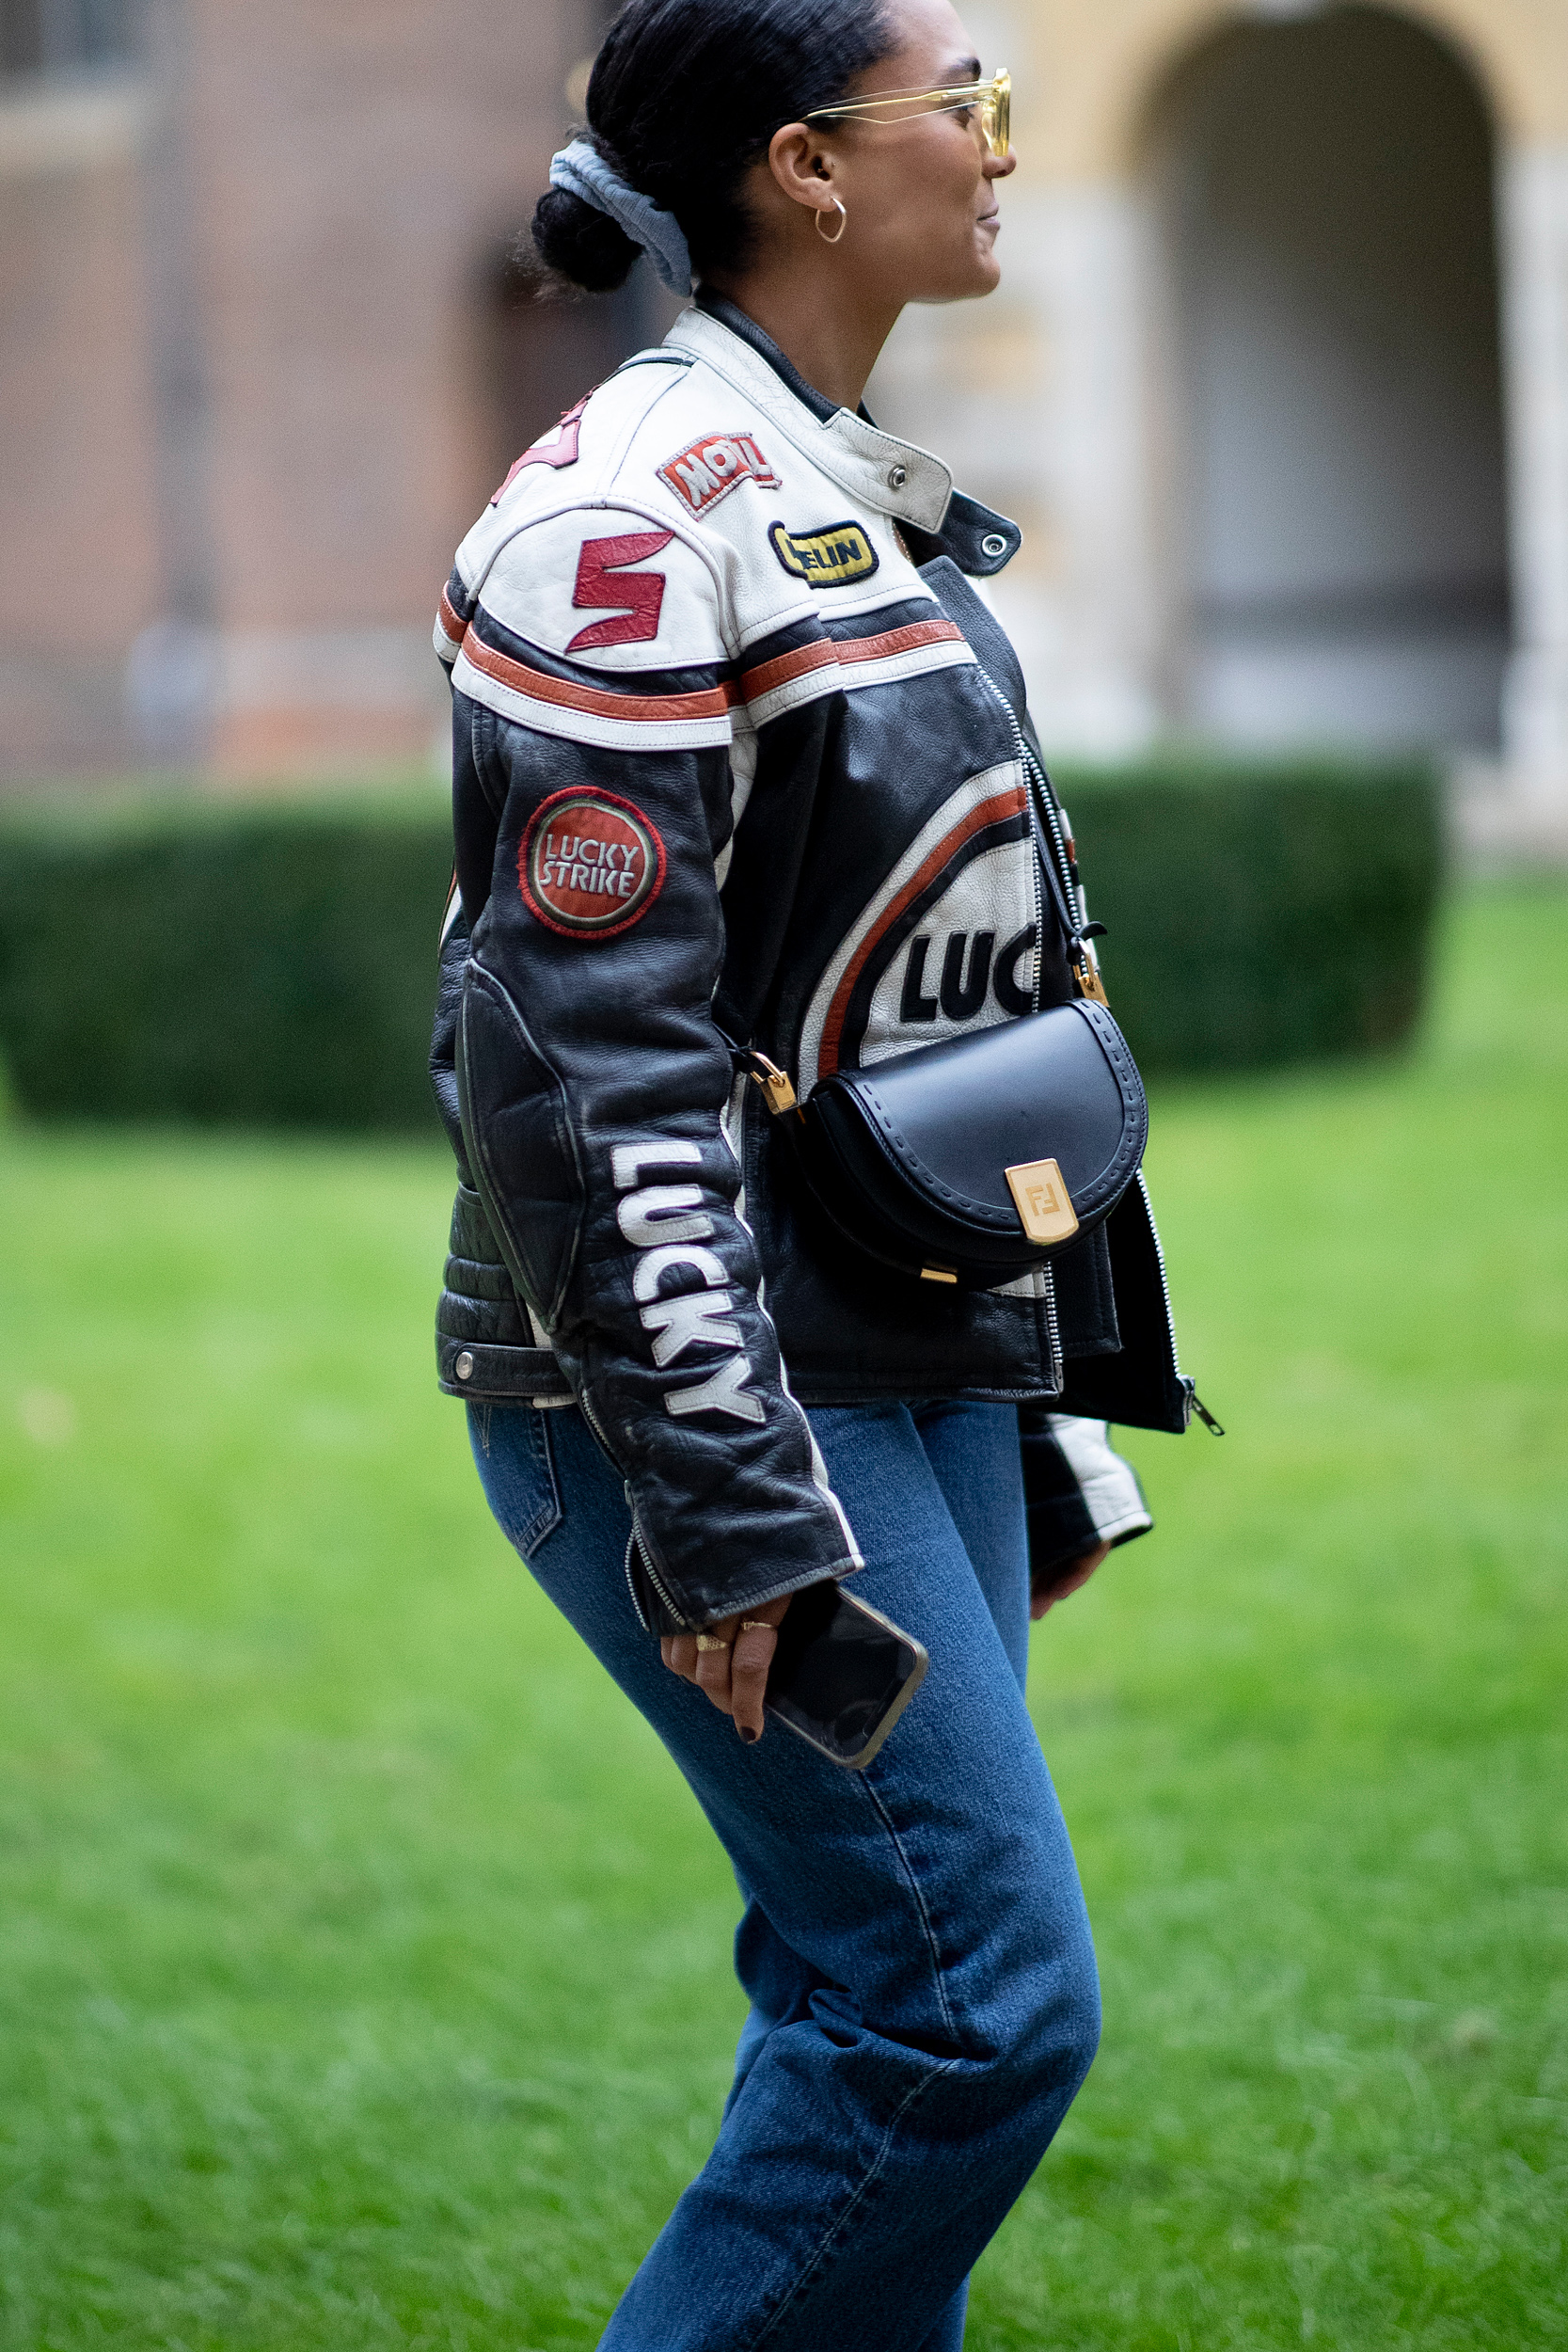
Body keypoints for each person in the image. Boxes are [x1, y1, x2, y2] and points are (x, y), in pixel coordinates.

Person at [428, 1, 1196, 2342]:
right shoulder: (621, 521)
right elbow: (582, 1067)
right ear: (808, 166)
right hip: (711, 1396)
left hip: (902, 1358)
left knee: (873, 1981)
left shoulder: (831, 475)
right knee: (963, 2008)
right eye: (967, 102)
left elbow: (948, 1000)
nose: (1002, 142)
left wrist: (1036, 1415)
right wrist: (728, 1495)